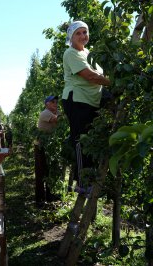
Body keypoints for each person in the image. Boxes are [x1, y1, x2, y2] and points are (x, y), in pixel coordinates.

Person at [61, 21, 110, 194]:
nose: (83, 36)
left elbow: (99, 75)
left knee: (90, 140)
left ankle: (86, 179)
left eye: (85, 32)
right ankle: (82, 184)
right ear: (71, 37)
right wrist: (113, 83)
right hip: (77, 100)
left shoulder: (88, 53)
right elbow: (91, 76)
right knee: (81, 140)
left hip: (91, 101)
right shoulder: (71, 53)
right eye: (78, 33)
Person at [34, 95, 60, 205]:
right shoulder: (46, 113)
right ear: (47, 104)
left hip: (49, 146)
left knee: (49, 172)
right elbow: (57, 121)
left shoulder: (54, 112)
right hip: (41, 146)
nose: (55, 103)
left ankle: (49, 195)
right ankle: (39, 199)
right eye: (53, 102)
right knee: (41, 172)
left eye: (56, 102)